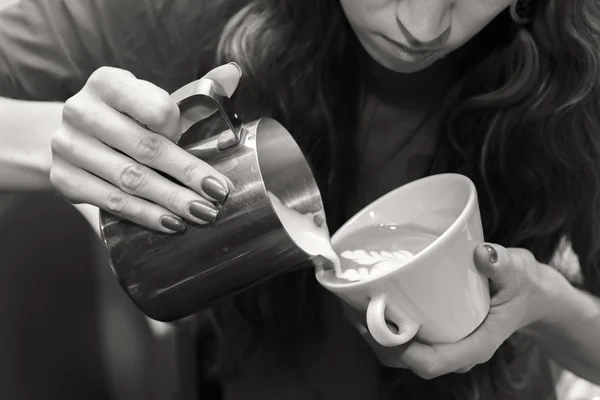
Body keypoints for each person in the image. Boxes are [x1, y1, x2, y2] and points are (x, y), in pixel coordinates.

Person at [1, 0, 599, 399]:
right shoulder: (188, 11)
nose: (422, 26)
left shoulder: (580, 76)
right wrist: (51, 137)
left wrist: (542, 303)